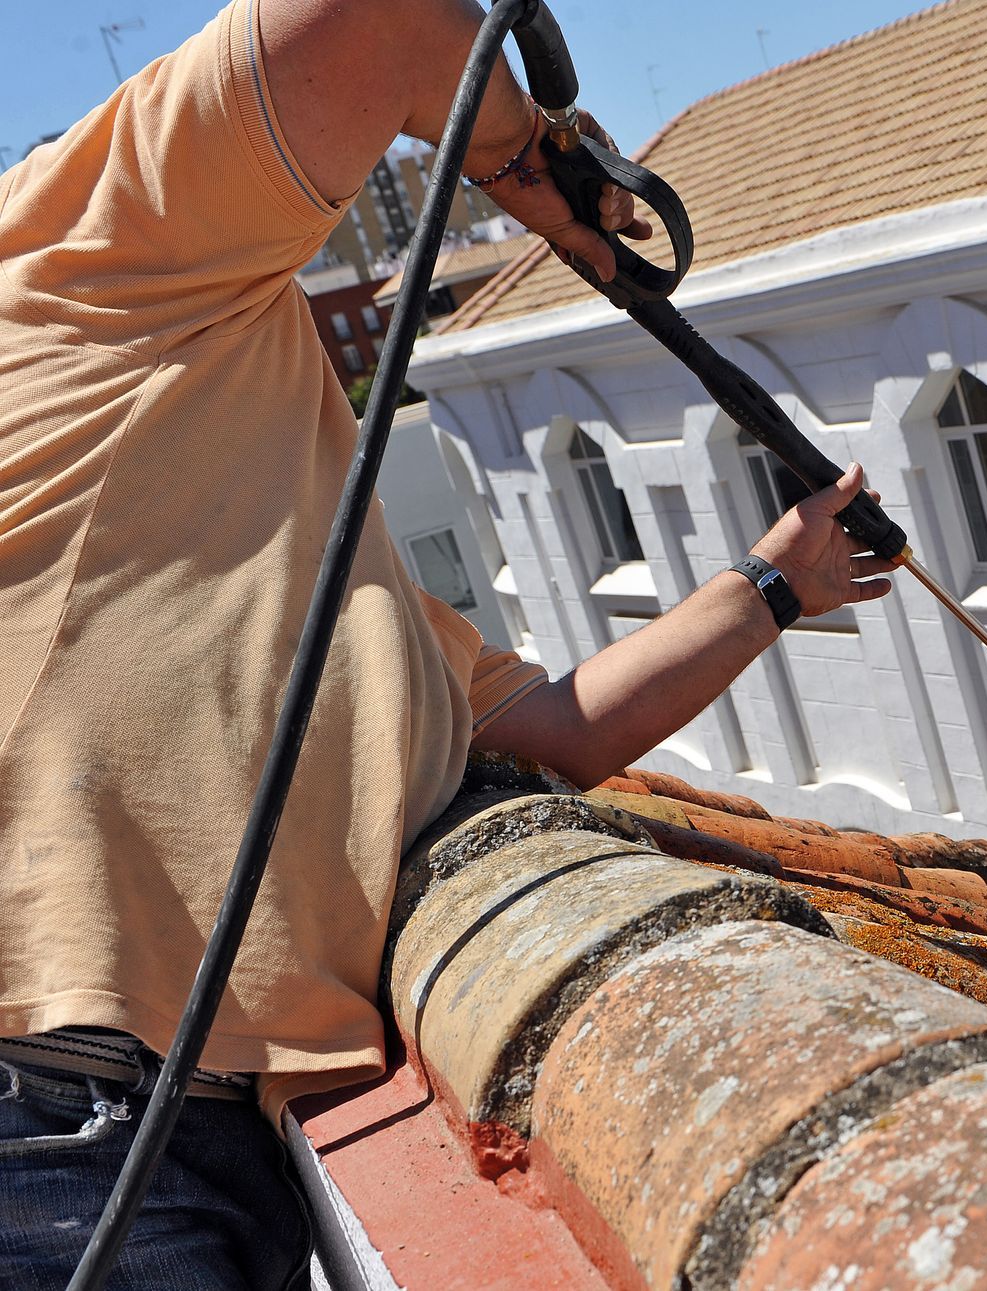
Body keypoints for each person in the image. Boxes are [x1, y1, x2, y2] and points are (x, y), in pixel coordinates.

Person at [0, 0, 891, 1284]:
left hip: (172, 1137)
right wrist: (535, 166)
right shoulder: (69, 244)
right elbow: (379, 16)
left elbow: (549, 735)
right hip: (64, 1124)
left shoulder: (315, 564)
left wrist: (776, 583)